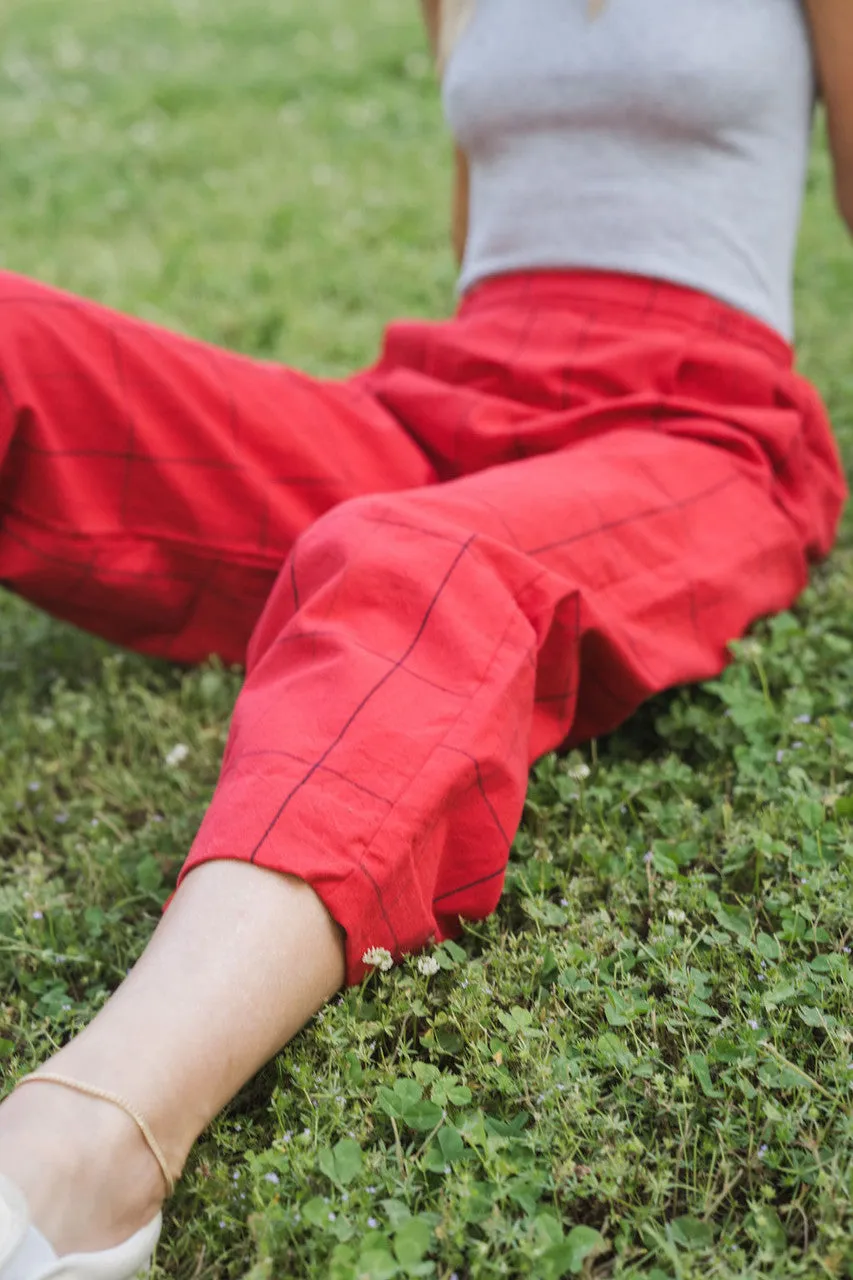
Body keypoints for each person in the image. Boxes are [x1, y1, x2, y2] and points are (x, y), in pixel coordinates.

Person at [0, 0, 850, 1276]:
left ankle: (85, 1152)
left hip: (693, 428)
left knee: (408, 563)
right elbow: (487, 240)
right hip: (445, 409)